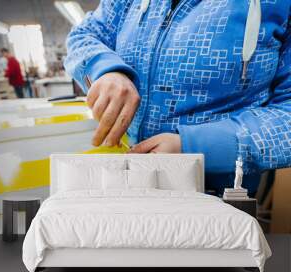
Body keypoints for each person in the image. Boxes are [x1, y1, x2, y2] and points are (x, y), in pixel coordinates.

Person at [64, 0, 291, 194]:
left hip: (216, 200)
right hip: (129, 183)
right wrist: (104, 67)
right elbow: (86, 34)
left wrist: (192, 147)